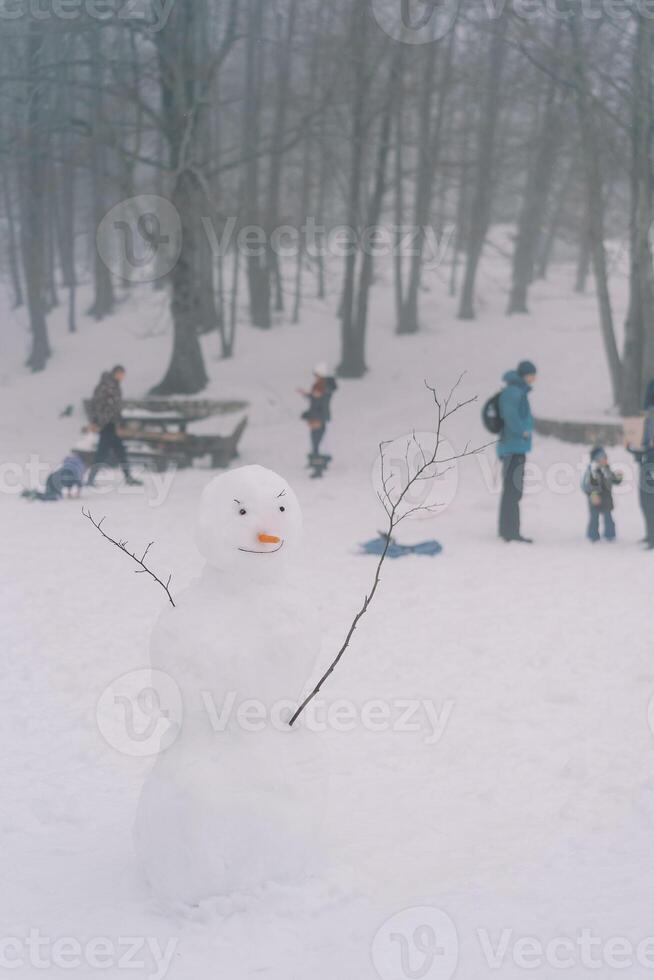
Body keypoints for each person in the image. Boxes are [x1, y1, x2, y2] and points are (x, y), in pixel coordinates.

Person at [497, 360, 537, 543]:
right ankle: (511, 532)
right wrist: (522, 431)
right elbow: (510, 415)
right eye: (531, 374)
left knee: (512, 491)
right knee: (513, 491)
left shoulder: (516, 391)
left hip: (513, 447)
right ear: (524, 375)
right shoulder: (514, 392)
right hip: (514, 447)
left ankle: (506, 530)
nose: (534, 378)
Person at [88, 365, 142, 486]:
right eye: (121, 374)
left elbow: (115, 406)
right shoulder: (106, 386)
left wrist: (118, 421)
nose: (123, 377)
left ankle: (128, 476)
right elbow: (96, 404)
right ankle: (91, 479)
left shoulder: (114, 385)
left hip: (111, 423)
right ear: (116, 373)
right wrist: (95, 421)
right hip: (105, 423)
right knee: (103, 452)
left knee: (119, 450)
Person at [627, 379, 654, 550]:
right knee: (644, 501)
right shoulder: (647, 419)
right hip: (646, 463)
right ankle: (649, 534)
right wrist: (632, 447)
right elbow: (642, 444)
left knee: (650, 501)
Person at [299, 363, 338, 477]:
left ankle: (318, 469)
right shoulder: (320, 386)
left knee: (318, 443)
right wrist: (309, 395)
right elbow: (316, 400)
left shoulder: (324, 387)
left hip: (319, 419)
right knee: (315, 443)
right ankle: (317, 464)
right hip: (316, 418)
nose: (315, 377)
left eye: (316, 374)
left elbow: (320, 403)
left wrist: (314, 417)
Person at [582, 446, 623, 543]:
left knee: (608, 517)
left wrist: (618, 478)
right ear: (596, 460)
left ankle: (610, 535)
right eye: (602, 458)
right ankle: (593, 536)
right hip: (594, 498)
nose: (605, 460)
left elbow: (613, 480)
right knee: (594, 518)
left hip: (606, 499)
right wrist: (593, 494)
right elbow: (586, 485)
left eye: (605, 458)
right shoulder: (592, 471)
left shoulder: (607, 470)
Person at [22, 453, 87, 502]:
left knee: (49, 494)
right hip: (57, 480)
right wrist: (77, 494)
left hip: (52, 476)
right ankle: (35, 495)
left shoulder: (71, 462)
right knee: (53, 497)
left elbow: (70, 481)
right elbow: (78, 481)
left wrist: (70, 493)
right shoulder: (79, 468)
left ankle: (31, 493)